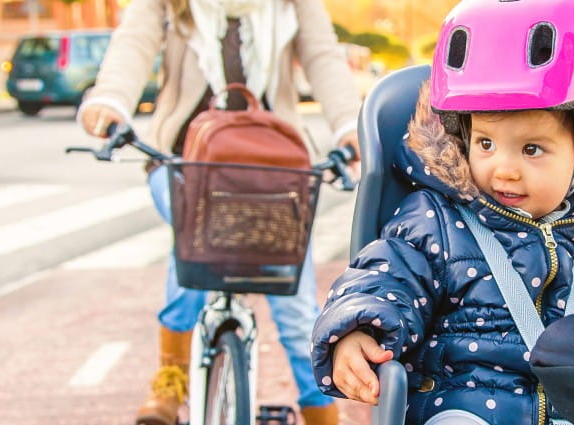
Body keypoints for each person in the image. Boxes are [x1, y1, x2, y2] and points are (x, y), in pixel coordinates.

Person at [309, 0, 574, 423]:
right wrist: (358, 331)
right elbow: (384, 277)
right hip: (465, 405)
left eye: (531, 149)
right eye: (485, 143)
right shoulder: (435, 219)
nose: (503, 169)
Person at [76, 0, 363, 423]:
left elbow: (324, 59)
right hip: (180, 160)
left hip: (274, 169)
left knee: (295, 305)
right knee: (196, 234)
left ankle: (321, 412)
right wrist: (111, 102)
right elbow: (133, 44)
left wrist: (349, 127)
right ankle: (171, 380)